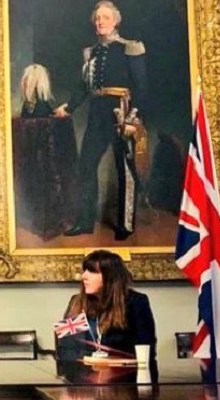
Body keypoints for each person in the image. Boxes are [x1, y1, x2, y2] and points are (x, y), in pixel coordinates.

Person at [53, 1, 148, 241]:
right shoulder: (91, 53)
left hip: (121, 113)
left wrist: (132, 119)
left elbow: (141, 87)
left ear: (115, 21)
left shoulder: (130, 48)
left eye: (105, 18)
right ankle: (85, 222)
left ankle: (125, 224)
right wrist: (69, 107)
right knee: (86, 165)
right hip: (97, 114)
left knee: (124, 168)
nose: (100, 22)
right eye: (97, 18)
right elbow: (83, 87)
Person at [57, 250, 157, 377]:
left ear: (110, 277)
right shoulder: (76, 302)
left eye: (92, 271)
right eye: (85, 270)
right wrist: (90, 361)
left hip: (124, 380)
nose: (83, 276)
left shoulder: (136, 302)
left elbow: (146, 350)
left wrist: (109, 362)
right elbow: (65, 349)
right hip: (84, 380)